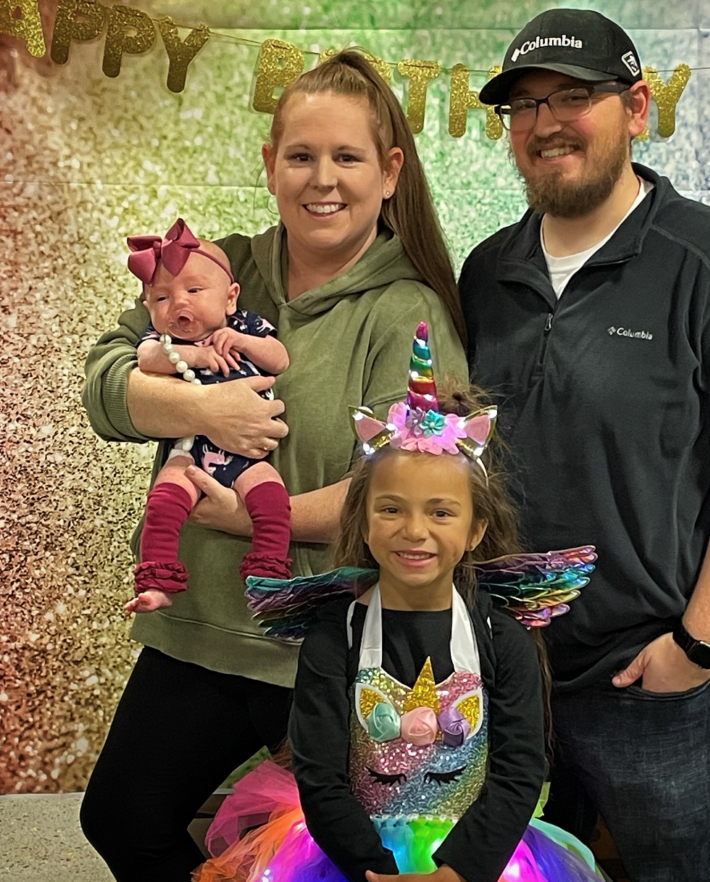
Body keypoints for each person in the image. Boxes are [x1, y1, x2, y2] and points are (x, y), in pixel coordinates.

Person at [79, 50, 468, 882]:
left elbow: (401, 490)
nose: (321, 180)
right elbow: (105, 384)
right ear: (269, 164)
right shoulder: (214, 272)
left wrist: (249, 517)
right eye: (301, 155)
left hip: (337, 645)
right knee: (120, 819)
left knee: (346, 863)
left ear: (391, 170)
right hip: (203, 632)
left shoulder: (409, 309)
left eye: (347, 157)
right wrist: (202, 410)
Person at [460, 8, 710, 882]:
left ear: (637, 107)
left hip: (651, 683)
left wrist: (695, 648)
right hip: (504, 674)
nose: (546, 123)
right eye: (524, 106)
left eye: (573, 96)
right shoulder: (485, 273)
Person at [193, 324, 604, 882]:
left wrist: (459, 871)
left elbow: (518, 770)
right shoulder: (335, 636)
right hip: (353, 859)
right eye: (391, 510)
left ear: (477, 529)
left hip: (478, 859)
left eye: (440, 512)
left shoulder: (500, 639)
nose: (414, 531)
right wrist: (369, 868)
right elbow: (319, 774)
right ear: (363, 521)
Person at [126, 218, 293, 615]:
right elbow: (146, 358)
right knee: (164, 502)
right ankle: (157, 580)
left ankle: (269, 574)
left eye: (194, 290)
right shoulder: (164, 342)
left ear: (230, 298)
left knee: (272, 500)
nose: (178, 303)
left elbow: (280, 358)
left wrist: (241, 340)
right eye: (161, 299)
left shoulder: (244, 325)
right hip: (188, 450)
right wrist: (196, 355)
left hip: (247, 456)